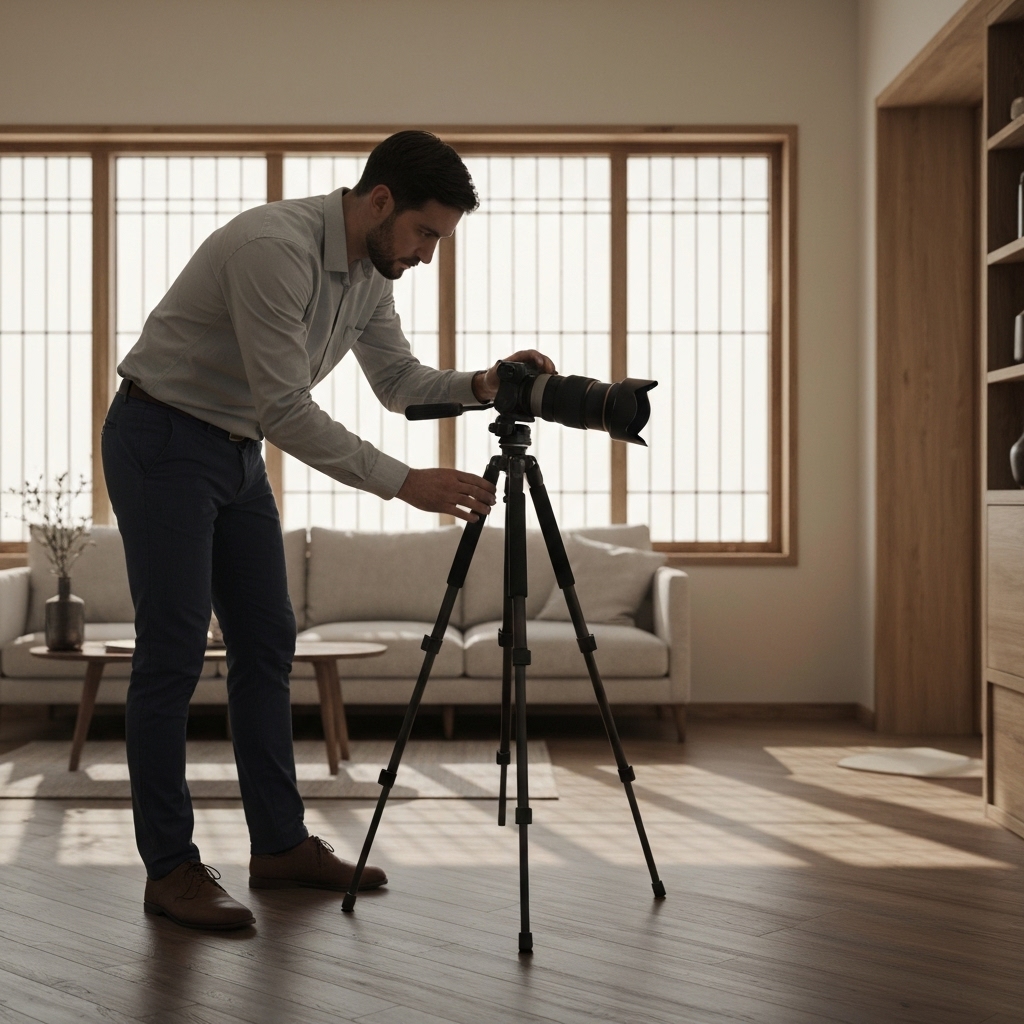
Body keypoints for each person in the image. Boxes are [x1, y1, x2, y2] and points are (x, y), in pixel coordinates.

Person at [102, 130, 555, 931]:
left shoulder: (371, 274)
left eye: (438, 239)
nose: (426, 254)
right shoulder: (273, 248)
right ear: (380, 202)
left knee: (269, 641)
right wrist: (403, 483)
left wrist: (486, 384)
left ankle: (277, 846)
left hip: (234, 452)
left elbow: (399, 383)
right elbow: (286, 408)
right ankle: (169, 868)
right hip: (164, 438)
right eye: (426, 233)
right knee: (172, 651)